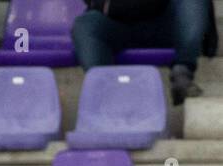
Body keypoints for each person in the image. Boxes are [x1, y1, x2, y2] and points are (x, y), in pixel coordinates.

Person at [72, 0, 217, 105]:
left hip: (171, 24)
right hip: (119, 24)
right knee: (85, 25)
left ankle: (182, 73)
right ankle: (109, 93)